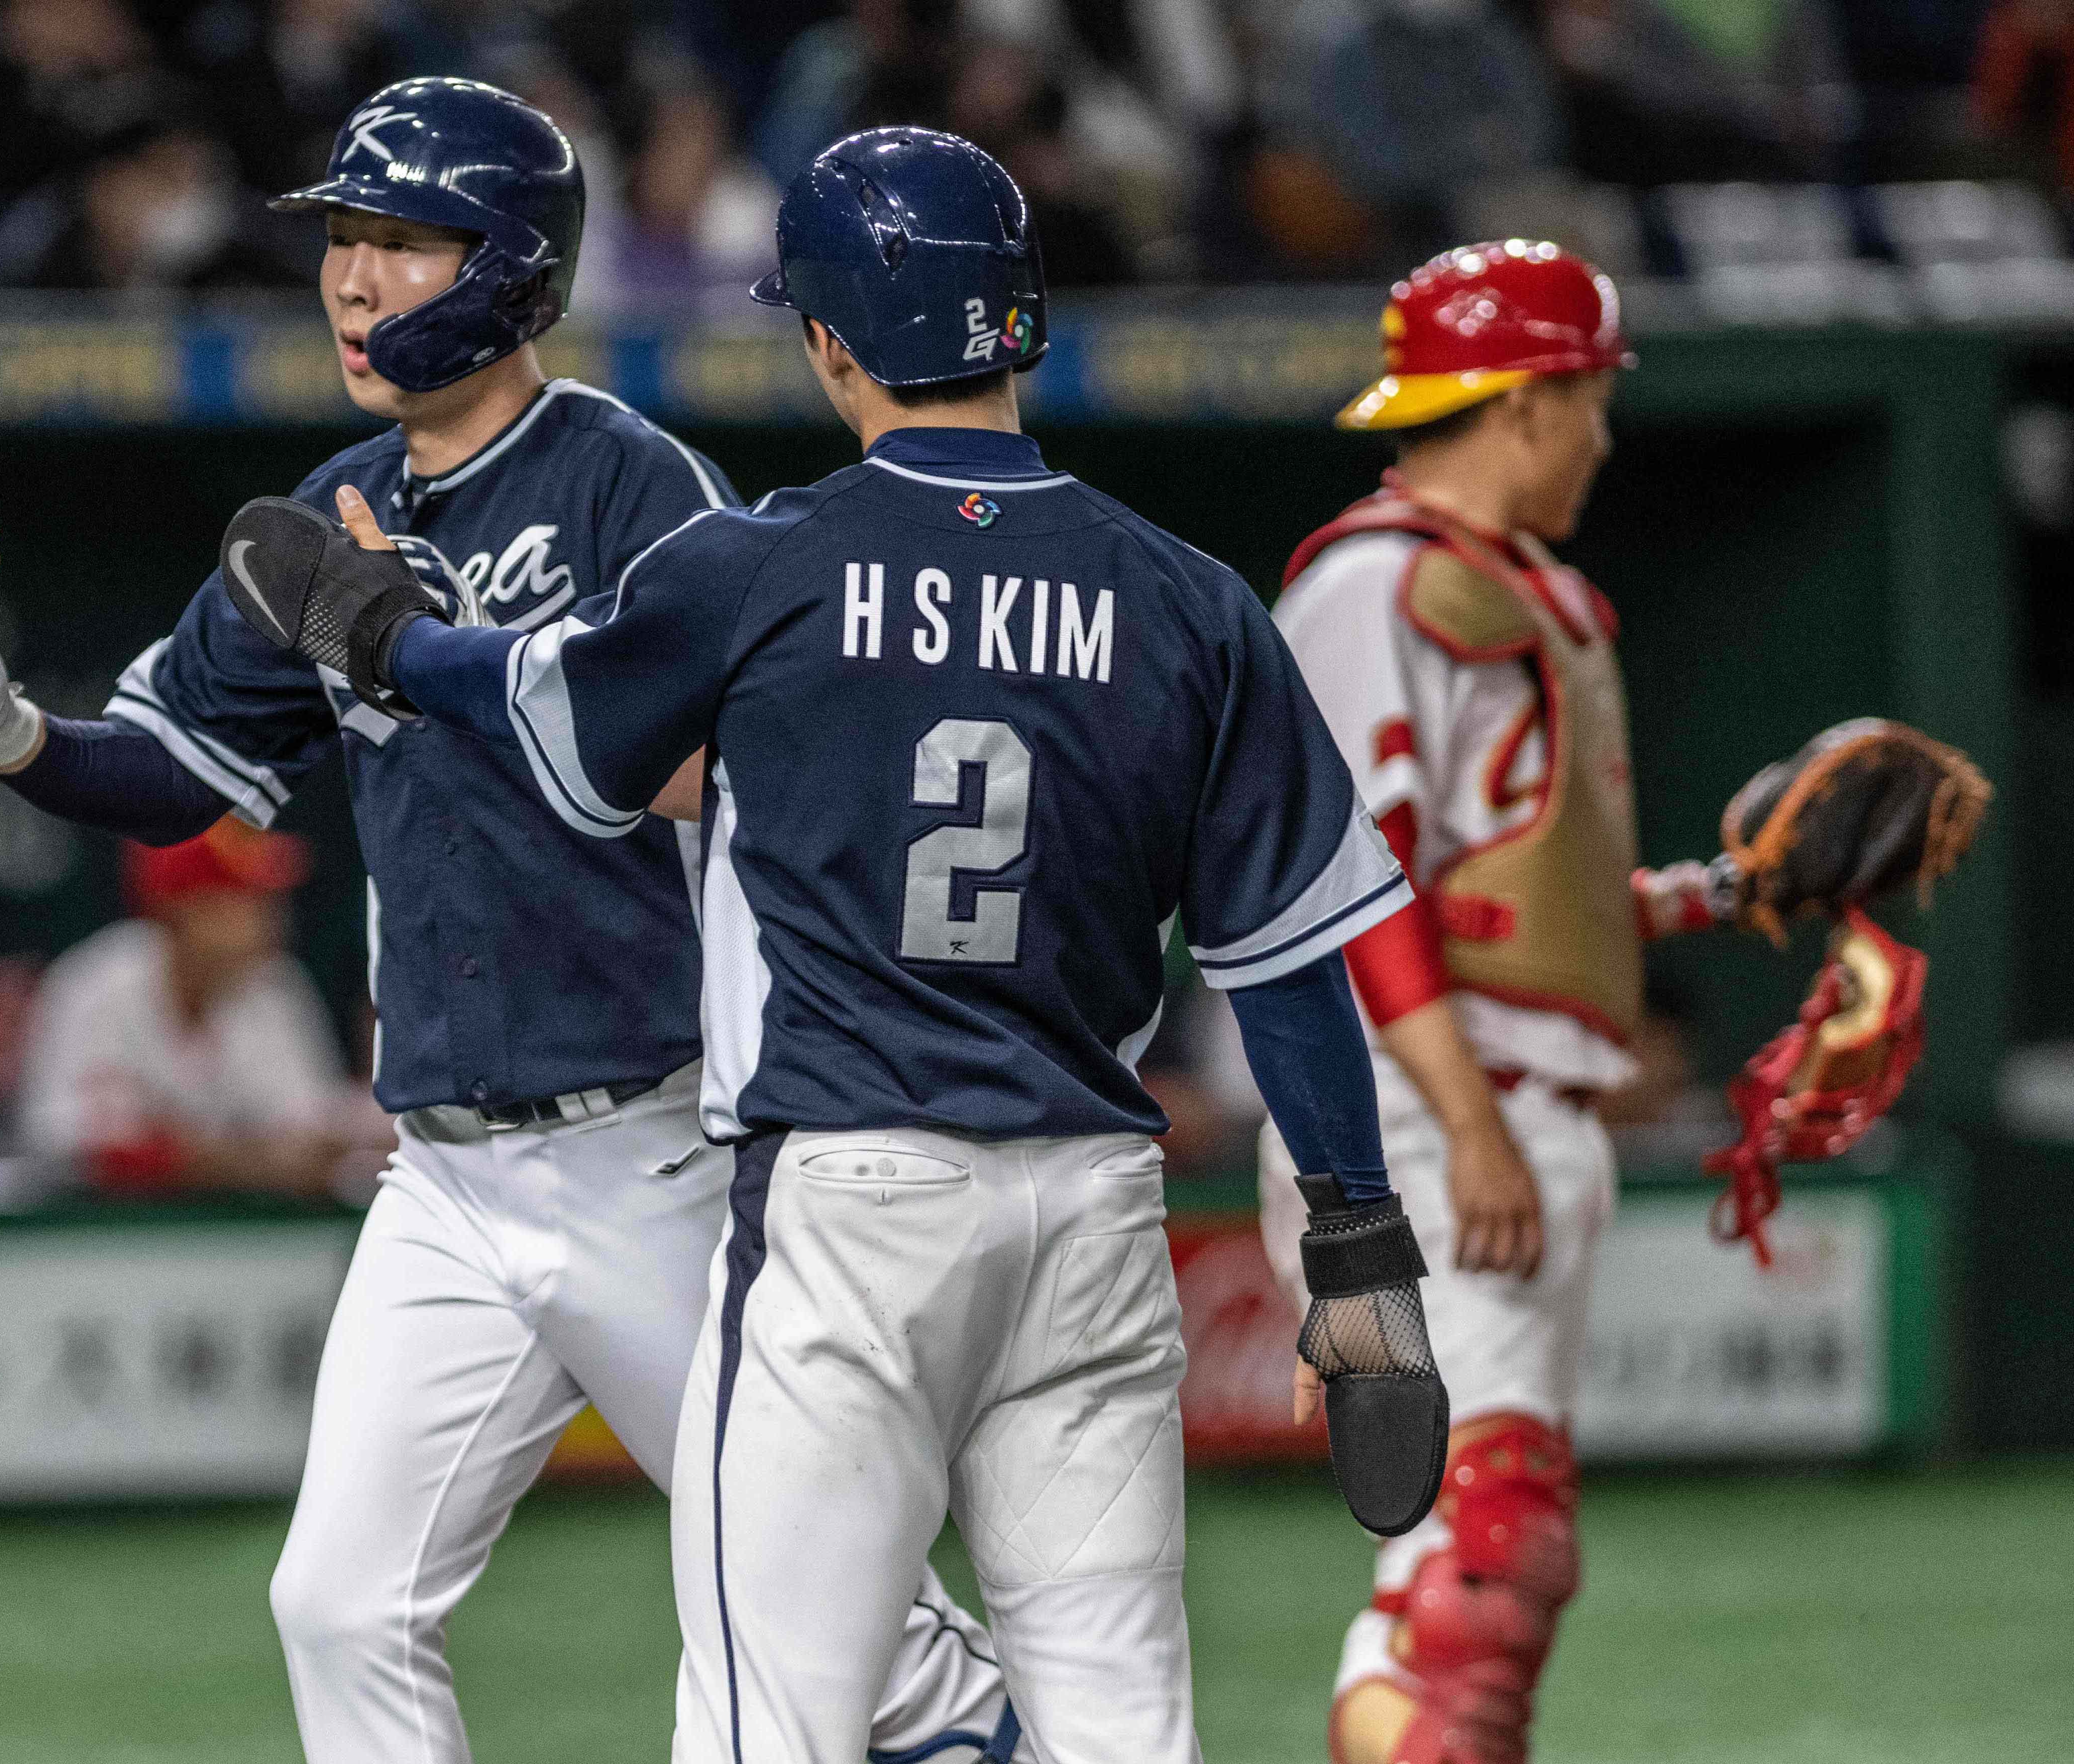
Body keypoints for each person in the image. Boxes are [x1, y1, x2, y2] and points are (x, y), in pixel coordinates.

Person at [258, 125, 1444, 1764]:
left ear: (823, 340)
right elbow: (1289, 960)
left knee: (771, 1720)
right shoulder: (1183, 600)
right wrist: (1358, 1244)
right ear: (1017, 322)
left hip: (844, 1207)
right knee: (1110, 1716)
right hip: (1089, 1207)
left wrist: (383, 629)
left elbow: (529, 703)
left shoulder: (756, 566)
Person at [0, 77, 1021, 1764]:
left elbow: (743, 766)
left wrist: (448, 663)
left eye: (400, 244)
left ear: (503, 265)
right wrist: (1, 729)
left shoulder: (627, 485)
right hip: (440, 1173)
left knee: (846, 1632)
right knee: (340, 1603)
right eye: (341, 242)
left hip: (649, 1141)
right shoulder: (327, 508)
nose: (351, 281)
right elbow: (168, 770)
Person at [1255, 240, 1740, 1764]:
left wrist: (1722, 893)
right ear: (1525, 404)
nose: (1599, 431)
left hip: (1509, 1106)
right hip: (1419, 1108)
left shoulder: (1530, 592)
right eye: (1586, 397)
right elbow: (1352, 887)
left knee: (1453, 1576)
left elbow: (1520, 894)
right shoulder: (1371, 583)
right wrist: (1461, 1127)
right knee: (1488, 1547)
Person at [13, 820, 355, 1199]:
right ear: (181, 911)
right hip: (97, 1241)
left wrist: (191, 1154)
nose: (271, 919)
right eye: (243, 900)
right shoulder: (97, 985)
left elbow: (316, 1145)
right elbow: (78, 1151)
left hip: (230, 1241)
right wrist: (242, 1161)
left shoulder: (274, 987)